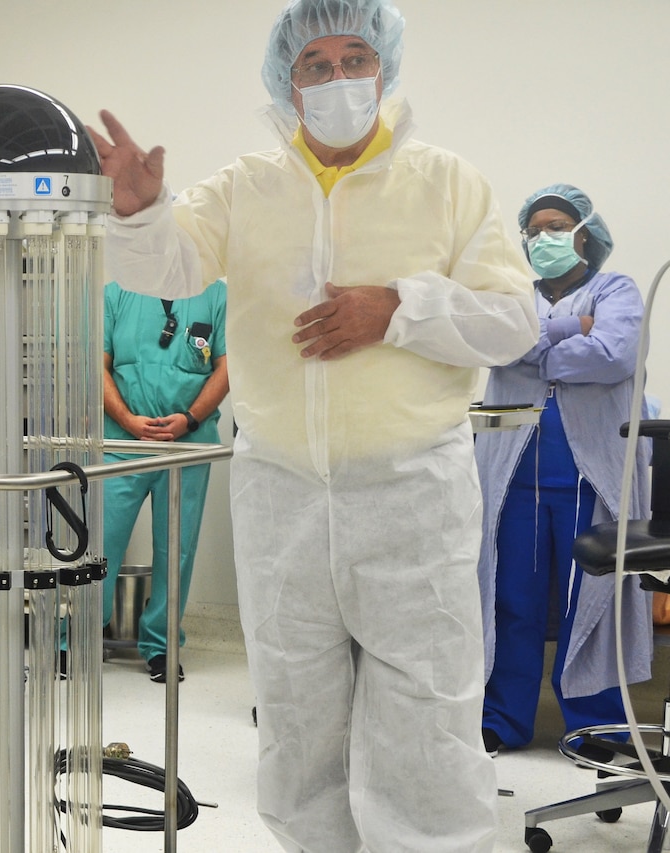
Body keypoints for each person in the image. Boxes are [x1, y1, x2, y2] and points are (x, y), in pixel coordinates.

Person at [89, 1, 538, 850]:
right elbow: (174, 266)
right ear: (286, 83)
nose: (338, 80)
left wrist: (398, 307)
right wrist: (141, 213)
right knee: (296, 716)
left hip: (412, 492)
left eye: (354, 57)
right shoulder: (248, 186)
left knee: (429, 715)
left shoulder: (447, 183)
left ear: (386, 67)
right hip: (282, 491)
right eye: (315, 65)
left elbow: (513, 320)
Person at [476, 184, 653, 759]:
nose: (542, 238)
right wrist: (572, 329)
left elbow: (613, 355)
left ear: (586, 233)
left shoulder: (617, 289)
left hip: (588, 478)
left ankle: (597, 728)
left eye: (557, 226)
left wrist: (538, 341)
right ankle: (502, 719)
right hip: (515, 478)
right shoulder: (510, 294)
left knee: (591, 602)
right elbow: (495, 347)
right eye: (534, 229)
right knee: (513, 600)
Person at [100, 280, 228, 683]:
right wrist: (127, 420)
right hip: (121, 443)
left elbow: (228, 366)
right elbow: (95, 363)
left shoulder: (216, 295)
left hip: (188, 445)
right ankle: (76, 640)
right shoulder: (118, 292)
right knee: (99, 546)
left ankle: (161, 645)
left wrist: (190, 419)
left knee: (177, 551)